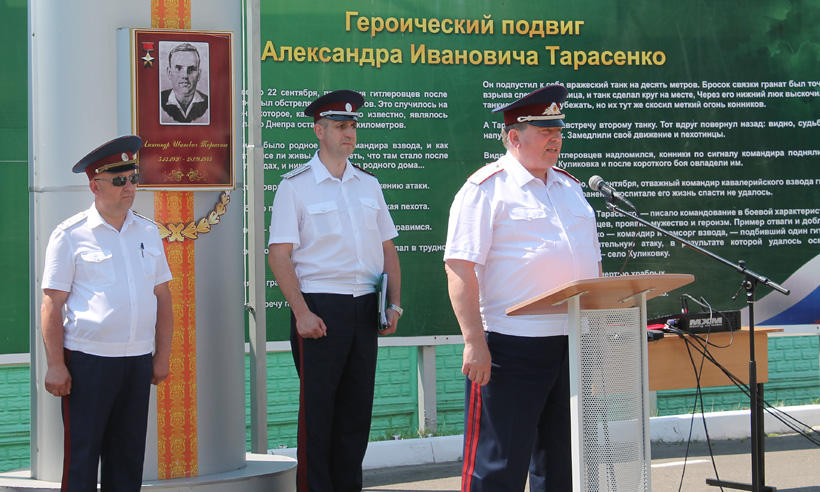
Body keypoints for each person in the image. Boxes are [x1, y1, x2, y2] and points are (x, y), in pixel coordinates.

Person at [443, 85, 602, 492]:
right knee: (498, 466)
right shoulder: (485, 189)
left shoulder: (571, 188)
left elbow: (591, 264)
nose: (556, 139)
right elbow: (460, 268)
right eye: (545, 131)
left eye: (558, 131)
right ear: (514, 137)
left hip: (571, 344)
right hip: (510, 348)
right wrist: (474, 341)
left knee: (563, 464)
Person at [267, 90, 402, 492]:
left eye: (353, 126)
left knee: (356, 414)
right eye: (340, 126)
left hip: (366, 308)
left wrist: (394, 304)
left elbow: (388, 248)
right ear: (319, 131)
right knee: (319, 415)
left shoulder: (368, 184)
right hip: (321, 309)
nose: (349, 133)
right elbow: (279, 255)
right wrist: (302, 313)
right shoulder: (295, 186)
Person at [40, 135, 174, 492]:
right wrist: (55, 364)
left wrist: (162, 355)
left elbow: (162, 297)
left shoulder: (148, 231)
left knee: (127, 459)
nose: (129, 187)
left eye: (133, 178)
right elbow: (52, 303)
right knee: (82, 460)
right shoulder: (70, 235)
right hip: (89, 362)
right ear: (94, 186)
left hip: (137, 361)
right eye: (119, 180)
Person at [160, 43, 209, 124]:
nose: (185, 75)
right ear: (169, 72)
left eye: (191, 69)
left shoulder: (210, 103)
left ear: (199, 74)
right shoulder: (156, 101)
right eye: (178, 68)